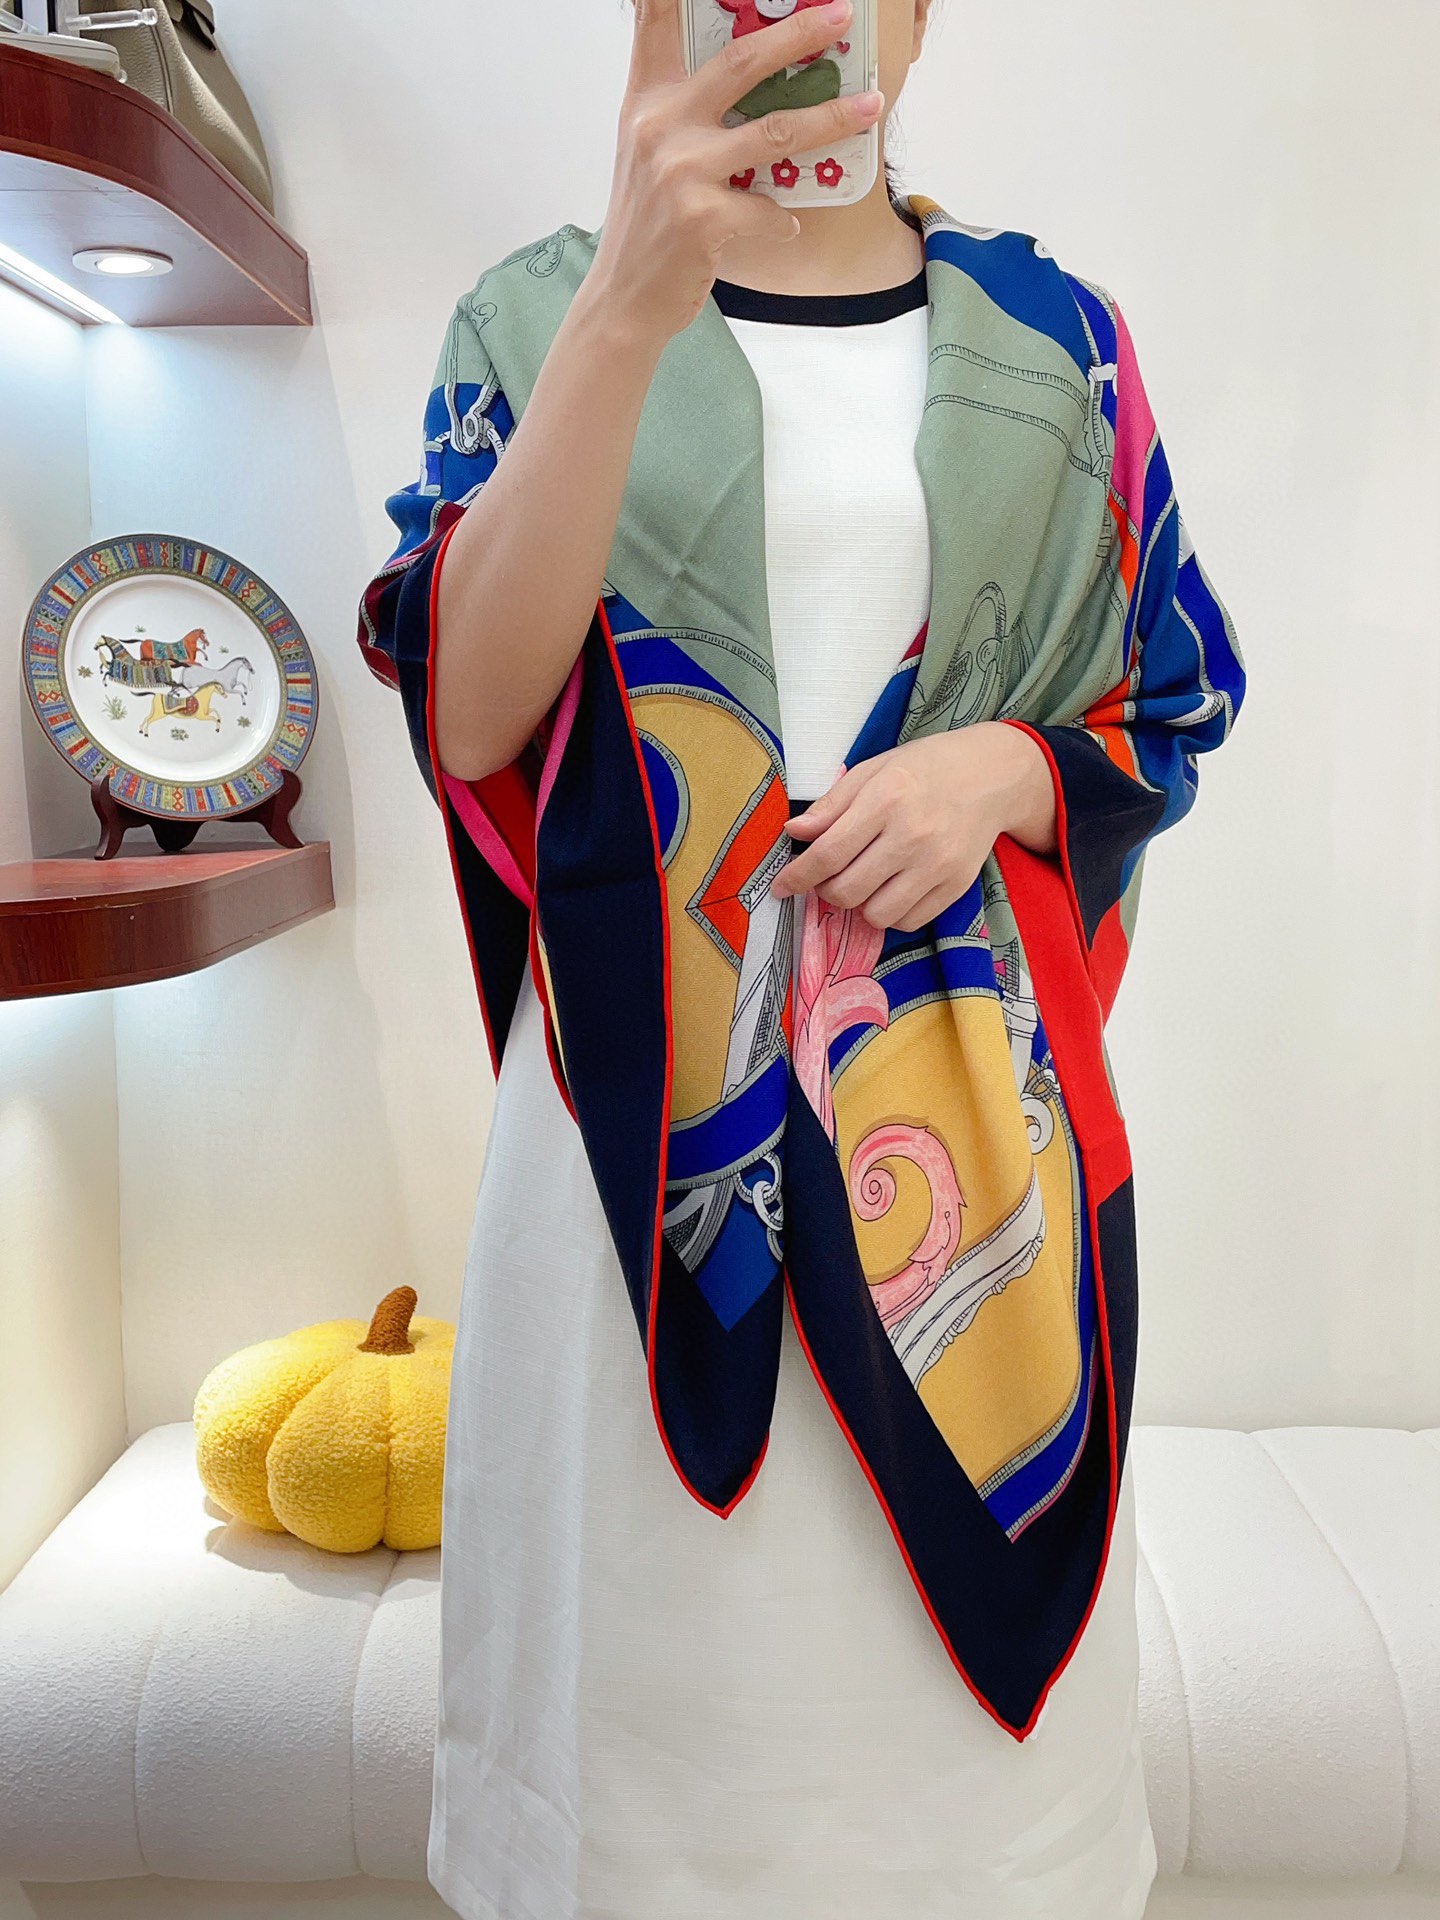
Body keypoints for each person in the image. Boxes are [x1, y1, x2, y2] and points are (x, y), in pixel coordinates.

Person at [356, 2, 1246, 1915]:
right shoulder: (536, 312)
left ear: (919, 19)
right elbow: (471, 715)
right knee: (638, 1763)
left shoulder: (1060, 344)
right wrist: (628, 304)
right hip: (632, 1164)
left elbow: (1167, 697)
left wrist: (1000, 772)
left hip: (963, 1165)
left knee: (944, 1811)